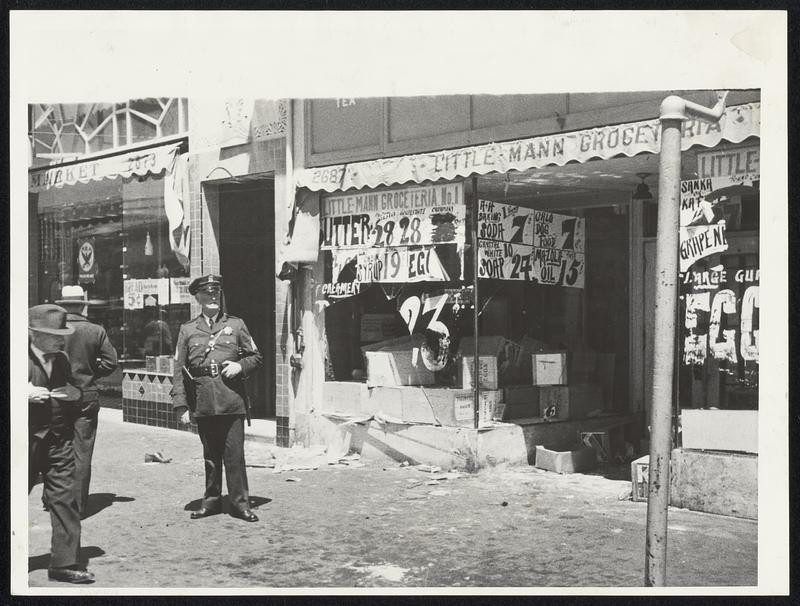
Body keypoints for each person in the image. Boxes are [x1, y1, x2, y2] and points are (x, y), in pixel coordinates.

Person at [171, 274, 263, 522]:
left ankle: (240, 504)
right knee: (210, 457)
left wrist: (240, 366)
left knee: (235, 456)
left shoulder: (236, 324)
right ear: (198, 298)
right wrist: (181, 404)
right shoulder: (188, 329)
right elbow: (179, 368)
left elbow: (256, 356)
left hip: (231, 399)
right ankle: (211, 502)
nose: (212, 299)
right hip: (202, 400)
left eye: (216, 294)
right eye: (207, 295)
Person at [28, 304, 94, 584]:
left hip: (58, 441)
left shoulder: (62, 359)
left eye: (62, 334)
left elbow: (82, 390)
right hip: (24, 443)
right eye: (54, 335)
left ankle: (64, 564)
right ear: (34, 334)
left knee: (66, 499)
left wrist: (74, 392)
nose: (60, 339)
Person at [55, 285, 119, 517]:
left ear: (62, 306)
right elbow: (111, 362)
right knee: (82, 452)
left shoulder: (54, 330)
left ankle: (56, 501)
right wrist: (92, 372)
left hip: (58, 396)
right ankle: (78, 507)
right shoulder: (95, 330)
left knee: (58, 449)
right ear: (82, 305)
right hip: (86, 397)